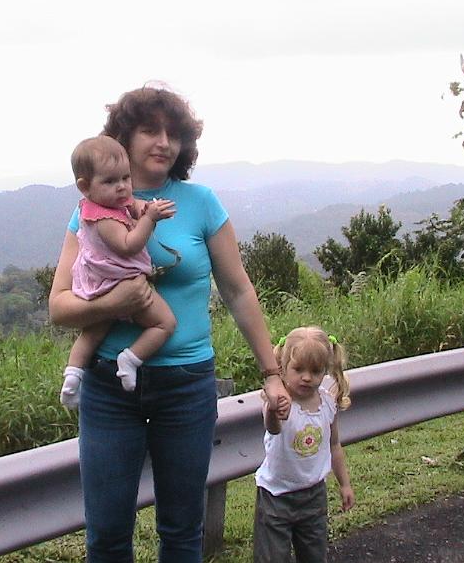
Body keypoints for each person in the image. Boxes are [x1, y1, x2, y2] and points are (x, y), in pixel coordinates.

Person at [48, 84, 290, 563]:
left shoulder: (200, 202)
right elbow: (59, 308)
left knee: (182, 532)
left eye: (173, 133)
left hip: (186, 386)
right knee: (107, 534)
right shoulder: (92, 212)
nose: (164, 142)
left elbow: (239, 291)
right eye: (149, 130)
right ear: (124, 137)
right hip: (107, 388)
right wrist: (113, 302)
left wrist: (271, 372)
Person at [59, 135, 177, 409]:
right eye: (111, 181)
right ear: (85, 186)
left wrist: (144, 208)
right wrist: (149, 219)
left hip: (99, 284)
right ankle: (131, 359)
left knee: (92, 333)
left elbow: (132, 205)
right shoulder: (105, 219)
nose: (123, 187)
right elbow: (129, 245)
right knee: (164, 324)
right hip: (119, 282)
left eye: (126, 177)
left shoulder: (100, 206)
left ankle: (73, 376)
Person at [253, 326, 355, 563]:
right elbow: (273, 428)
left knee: (314, 556)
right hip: (276, 496)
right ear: (283, 367)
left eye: (316, 371)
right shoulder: (282, 404)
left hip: (313, 495)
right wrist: (273, 409)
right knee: (271, 557)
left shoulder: (328, 403)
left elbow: (334, 445)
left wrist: (345, 484)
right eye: (298, 369)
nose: (307, 377)